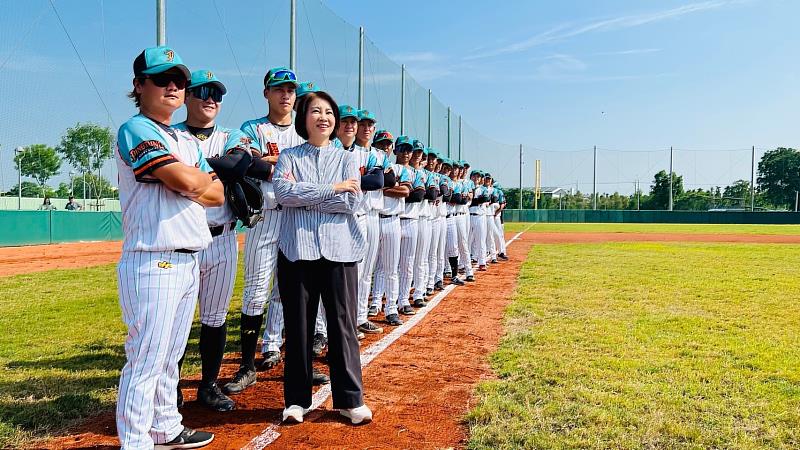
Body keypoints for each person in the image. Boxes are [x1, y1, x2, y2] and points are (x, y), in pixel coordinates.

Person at [115, 46, 223, 449]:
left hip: (188, 258)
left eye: (179, 80)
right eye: (162, 79)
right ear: (139, 85)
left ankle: (165, 427)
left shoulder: (184, 139)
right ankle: (136, 441)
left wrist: (192, 181)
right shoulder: (136, 129)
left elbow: (217, 194)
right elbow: (196, 185)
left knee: (169, 358)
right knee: (146, 359)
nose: (174, 86)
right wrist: (193, 181)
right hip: (152, 258)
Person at [273, 90, 372, 425]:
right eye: (316, 111)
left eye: (329, 112)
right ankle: (296, 400)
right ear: (304, 118)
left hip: (340, 250)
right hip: (296, 250)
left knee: (342, 325)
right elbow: (284, 195)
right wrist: (332, 189)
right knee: (298, 327)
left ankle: (350, 400)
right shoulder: (288, 156)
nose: (324, 118)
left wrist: (311, 193)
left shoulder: (346, 158)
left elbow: (351, 202)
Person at [172, 69, 250, 412]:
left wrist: (186, 168)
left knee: (215, 318)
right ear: (187, 95)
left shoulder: (230, 134)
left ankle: (208, 385)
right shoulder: (168, 134)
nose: (210, 99)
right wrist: (210, 170)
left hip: (221, 239)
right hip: (181, 239)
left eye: (216, 94)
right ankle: (170, 388)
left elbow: (238, 164)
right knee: (173, 321)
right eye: (202, 91)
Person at [225, 67, 304, 395]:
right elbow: (248, 163)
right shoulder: (253, 128)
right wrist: (284, 166)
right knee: (256, 290)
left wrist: (272, 162)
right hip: (267, 216)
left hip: (297, 218)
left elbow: (311, 170)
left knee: (292, 292)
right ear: (266, 93)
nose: (285, 94)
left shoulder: (303, 132)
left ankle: (294, 362)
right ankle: (246, 366)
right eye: (278, 89)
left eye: (290, 89)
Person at [370, 136, 412, 325]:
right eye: (382, 144)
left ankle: (392, 309)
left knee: (391, 267)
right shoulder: (370, 160)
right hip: (372, 218)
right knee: (371, 268)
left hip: (393, 220)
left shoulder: (402, 169)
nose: (385, 147)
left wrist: (380, 187)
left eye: (388, 144)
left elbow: (406, 191)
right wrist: (388, 185)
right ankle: (374, 303)